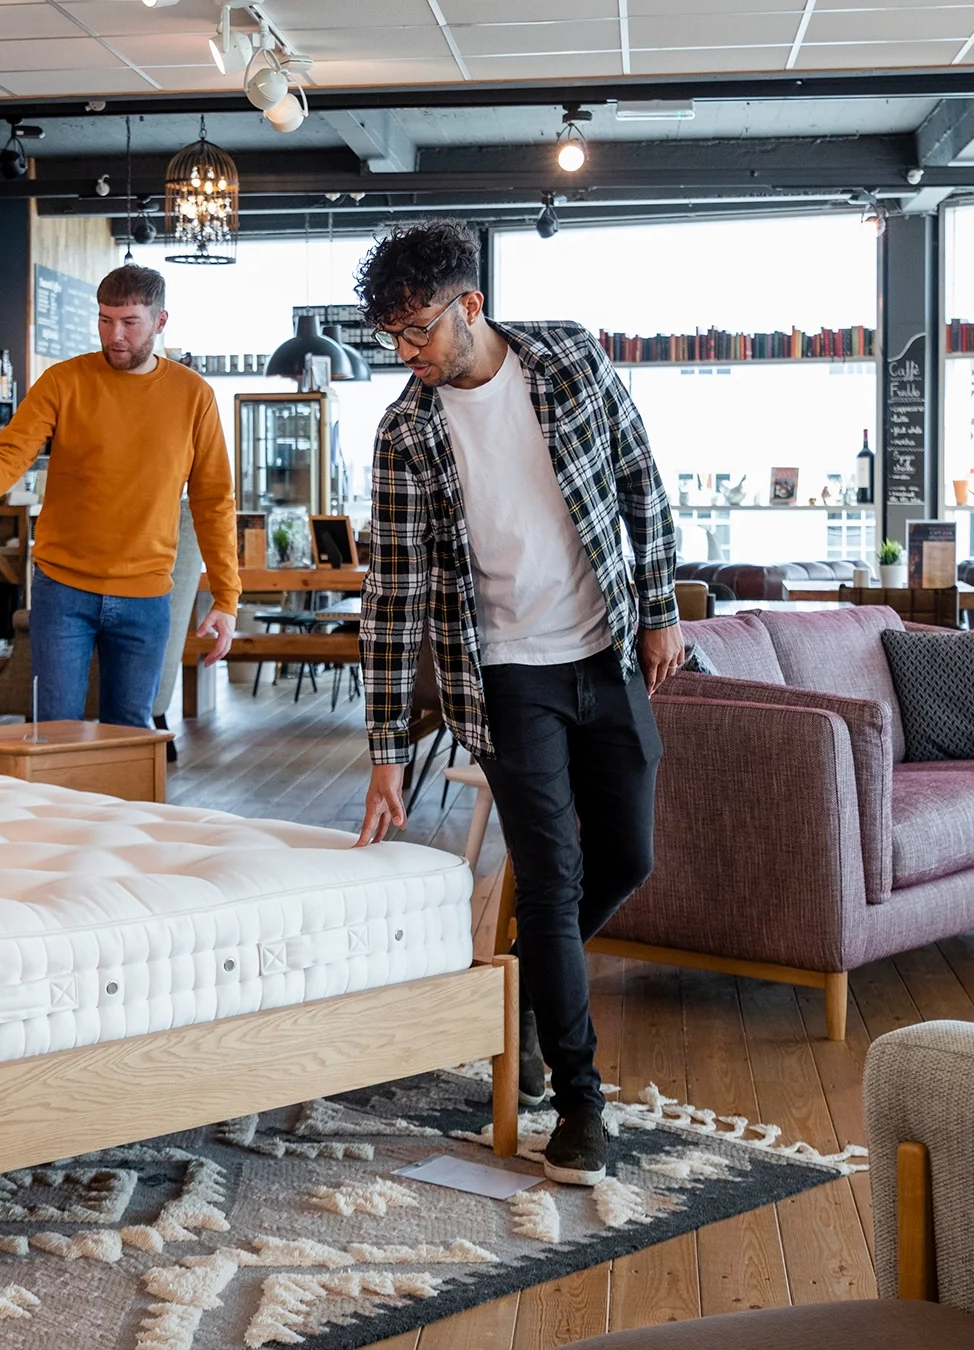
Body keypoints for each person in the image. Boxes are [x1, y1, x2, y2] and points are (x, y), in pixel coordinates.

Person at [349, 221, 683, 1187]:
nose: (406, 355)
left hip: (607, 649)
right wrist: (381, 747)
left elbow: (639, 484)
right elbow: (394, 596)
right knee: (552, 877)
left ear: (470, 306)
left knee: (629, 856)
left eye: (417, 331)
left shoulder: (572, 359)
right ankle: (580, 1104)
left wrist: (659, 611)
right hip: (500, 679)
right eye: (391, 339)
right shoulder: (404, 432)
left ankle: (529, 998)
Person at [0, 265, 239, 726]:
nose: (114, 334)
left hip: (146, 594)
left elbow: (214, 499)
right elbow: (8, 454)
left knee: (130, 738)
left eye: (129, 322)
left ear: (160, 322)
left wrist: (226, 597)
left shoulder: (193, 394)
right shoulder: (63, 380)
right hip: (63, 590)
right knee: (54, 733)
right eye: (104, 320)